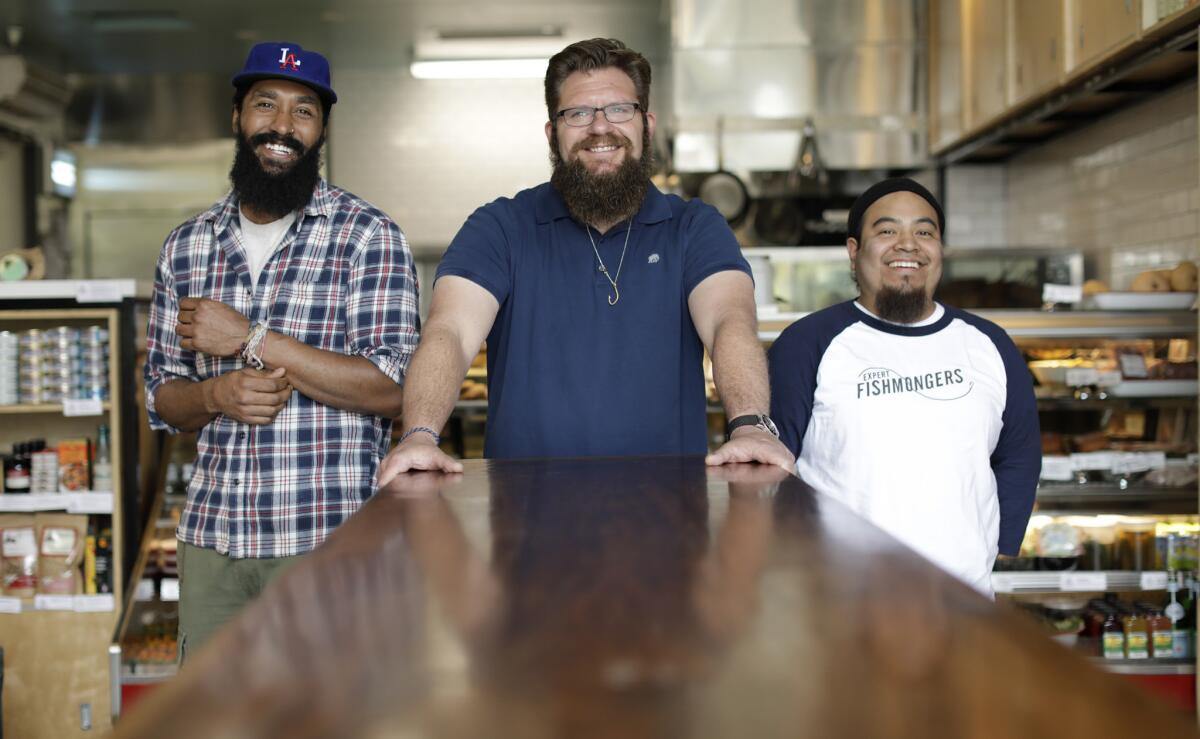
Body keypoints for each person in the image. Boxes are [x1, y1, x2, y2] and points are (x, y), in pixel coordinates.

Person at [377, 37, 792, 482]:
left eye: (618, 109)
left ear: (646, 125)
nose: (600, 127)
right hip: (525, 516)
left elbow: (730, 323)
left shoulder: (695, 227)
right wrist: (419, 434)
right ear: (552, 132)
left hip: (670, 515)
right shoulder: (500, 227)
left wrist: (751, 425)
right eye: (577, 114)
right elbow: (451, 332)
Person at [143, 41, 419, 656]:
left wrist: (249, 338)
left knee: (331, 716)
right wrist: (216, 393)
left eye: (303, 111)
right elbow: (162, 399)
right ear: (237, 116)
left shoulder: (366, 237)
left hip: (330, 539)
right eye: (266, 105)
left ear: (321, 130)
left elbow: (393, 388)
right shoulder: (186, 247)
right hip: (213, 543)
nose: (282, 127)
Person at [766, 178, 1040, 594]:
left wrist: (996, 548)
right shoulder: (808, 343)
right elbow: (774, 467)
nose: (908, 244)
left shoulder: (989, 343)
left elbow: (1019, 453)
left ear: (940, 250)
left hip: (962, 599)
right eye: (888, 231)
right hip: (842, 599)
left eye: (925, 232)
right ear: (854, 251)